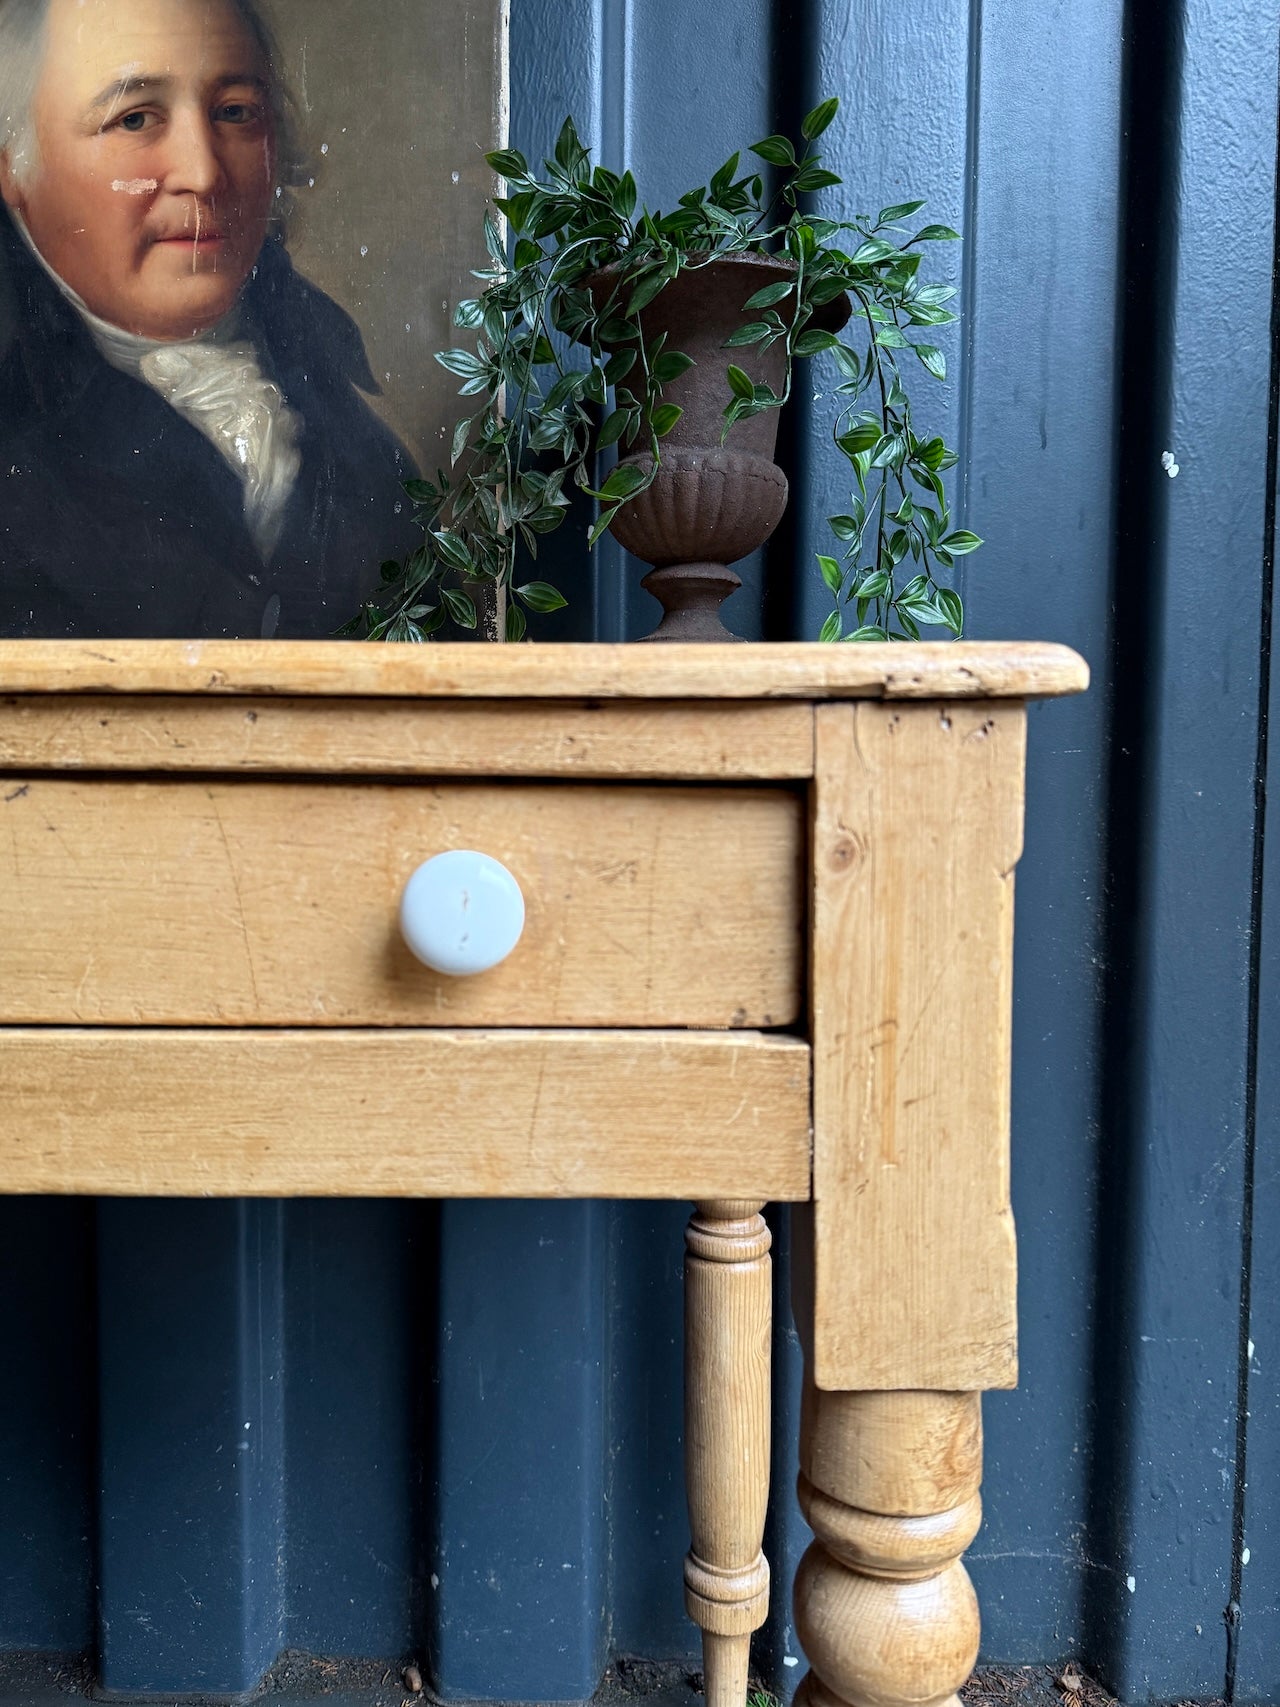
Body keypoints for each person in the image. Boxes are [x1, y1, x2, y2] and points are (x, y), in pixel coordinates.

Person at [0, 0, 417, 638]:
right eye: (134, 118)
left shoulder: (362, 449)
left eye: (235, 113)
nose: (203, 173)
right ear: (15, 166)